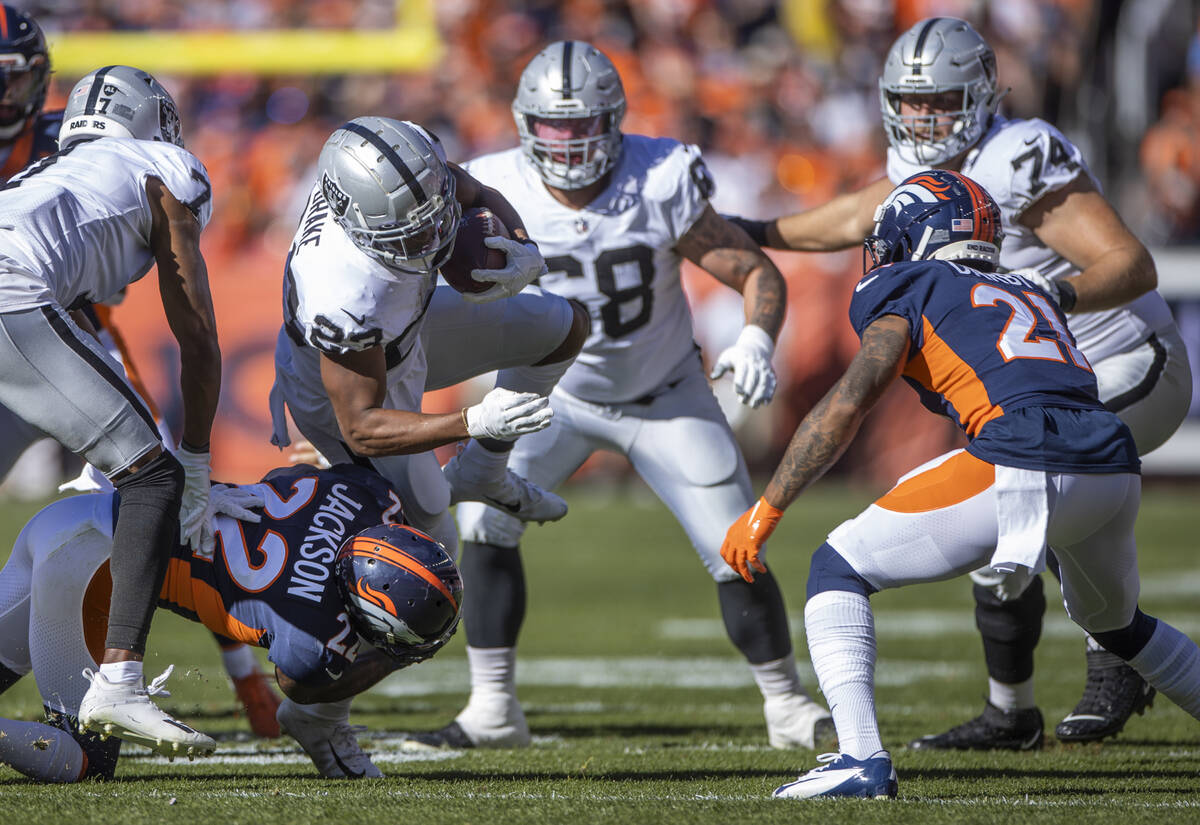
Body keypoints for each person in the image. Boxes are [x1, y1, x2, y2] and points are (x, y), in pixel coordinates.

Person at [729, 16, 1192, 748]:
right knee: (1000, 527)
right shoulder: (912, 171)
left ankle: (1113, 659)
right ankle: (1013, 710)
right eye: (911, 102)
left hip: (1125, 361)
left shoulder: (1016, 154)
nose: (924, 116)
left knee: (1052, 499)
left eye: (941, 100)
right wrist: (747, 231)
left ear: (981, 96)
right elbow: (853, 215)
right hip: (1039, 381)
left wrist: (1055, 298)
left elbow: (1132, 264)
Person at [418, 40, 832, 752]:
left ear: (614, 120)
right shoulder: (487, 184)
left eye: (583, 126)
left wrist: (757, 338)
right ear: (525, 124)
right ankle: (492, 708)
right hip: (548, 388)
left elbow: (755, 269)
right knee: (485, 526)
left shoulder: (660, 174)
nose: (570, 143)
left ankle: (786, 703)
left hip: (661, 390)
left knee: (735, 545)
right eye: (554, 127)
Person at [0, 65, 224, 758]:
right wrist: (194, 455)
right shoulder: (164, 166)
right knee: (150, 477)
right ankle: (120, 679)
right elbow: (196, 335)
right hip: (10, 291)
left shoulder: (46, 173)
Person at [0, 463, 463, 781]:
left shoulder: (368, 496)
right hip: (89, 569)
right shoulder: (315, 634)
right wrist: (398, 656)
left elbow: (292, 476)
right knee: (85, 761)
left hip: (75, 515)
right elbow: (301, 686)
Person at [269, 116, 589, 567]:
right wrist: (473, 420)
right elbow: (361, 426)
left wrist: (523, 246)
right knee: (430, 552)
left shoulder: (408, 175)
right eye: (412, 231)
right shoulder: (341, 289)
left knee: (560, 327)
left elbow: (478, 194)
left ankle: (484, 470)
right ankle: (338, 474)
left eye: (436, 217)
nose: (435, 236)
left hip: (408, 332)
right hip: (345, 386)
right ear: (359, 225)